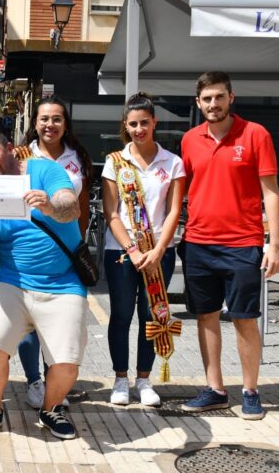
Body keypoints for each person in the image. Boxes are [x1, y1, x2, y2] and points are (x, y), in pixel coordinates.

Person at [0, 131, 87, 440]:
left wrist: (49, 206)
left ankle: (51, 409)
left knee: (66, 361)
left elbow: (70, 206)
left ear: (10, 149)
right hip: (12, 281)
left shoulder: (43, 170)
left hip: (62, 283)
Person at [180, 71, 279, 420]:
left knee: (244, 319)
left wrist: (275, 244)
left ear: (231, 98)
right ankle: (216, 389)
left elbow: (271, 192)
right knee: (206, 316)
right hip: (198, 243)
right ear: (198, 103)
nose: (213, 104)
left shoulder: (256, 135)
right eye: (207, 99)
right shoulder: (190, 139)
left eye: (219, 97)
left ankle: (251, 390)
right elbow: (186, 190)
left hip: (243, 244)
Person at [101, 93, 185, 407]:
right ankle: (120, 378)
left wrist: (158, 249)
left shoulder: (173, 162)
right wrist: (133, 250)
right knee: (121, 315)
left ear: (154, 123)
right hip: (122, 252)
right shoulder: (114, 161)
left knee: (152, 314)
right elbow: (111, 213)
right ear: (126, 125)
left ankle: (144, 379)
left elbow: (175, 210)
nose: (139, 129)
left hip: (159, 252)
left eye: (144, 123)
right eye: (133, 124)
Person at [14, 95, 93, 409]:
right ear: (35, 123)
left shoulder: (77, 157)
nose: (50, 125)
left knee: (59, 320)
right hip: (28, 250)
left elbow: (82, 206)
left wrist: (82, 244)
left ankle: (54, 378)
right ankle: (34, 380)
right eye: (44, 119)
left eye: (56, 119)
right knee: (28, 320)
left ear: (65, 124)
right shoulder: (19, 156)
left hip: (66, 250)